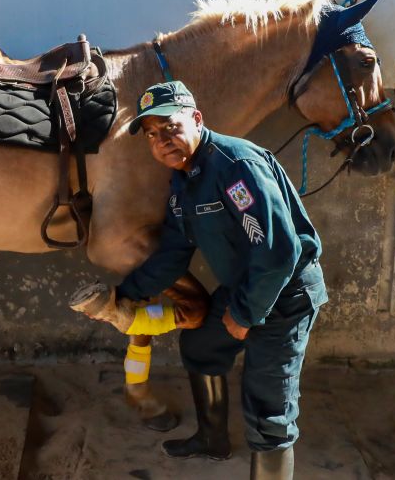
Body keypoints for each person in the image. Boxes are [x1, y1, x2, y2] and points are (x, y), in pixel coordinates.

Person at [74, 81, 328, 480]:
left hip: (286, 293)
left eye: (170, 127)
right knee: (200, 343)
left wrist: (243, 315)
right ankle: (213, 440)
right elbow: (173, 253)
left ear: (196, 119)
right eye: (153, 135)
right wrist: (123, 297)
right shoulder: (184, 182)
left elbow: (279, 254)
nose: (162, 141)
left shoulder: (234, 166)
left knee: (268, 409)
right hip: (244, 286)